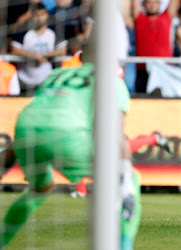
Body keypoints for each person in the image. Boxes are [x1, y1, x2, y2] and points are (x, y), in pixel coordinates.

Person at [0, 60, 141, 250]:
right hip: (67, 135)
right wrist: (123, 178)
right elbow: (115, 133)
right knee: (130, 178)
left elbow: (42, 111)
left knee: (40, 188)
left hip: (25, 128)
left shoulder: (58, 74)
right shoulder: (112, 83)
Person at [11, 3, 67, 96]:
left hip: (47, 81)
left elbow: (62, 50)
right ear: (32, 17)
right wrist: (33, 55)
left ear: (47, 15)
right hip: (25, 81)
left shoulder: (54, 31)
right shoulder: (23, 30)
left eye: (42, 14)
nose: (39, 18)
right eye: (36, 15)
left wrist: (45, 54)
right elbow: (14, 50)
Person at [132, 0, 180, 93]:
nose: (152, 5)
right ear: (144, 5)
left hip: (164, 68)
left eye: (155, 3)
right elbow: (134, 4)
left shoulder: (166, 17)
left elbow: (174, 3)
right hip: (143, 68)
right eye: (149, 2)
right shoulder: (139, 18)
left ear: (159, 4)